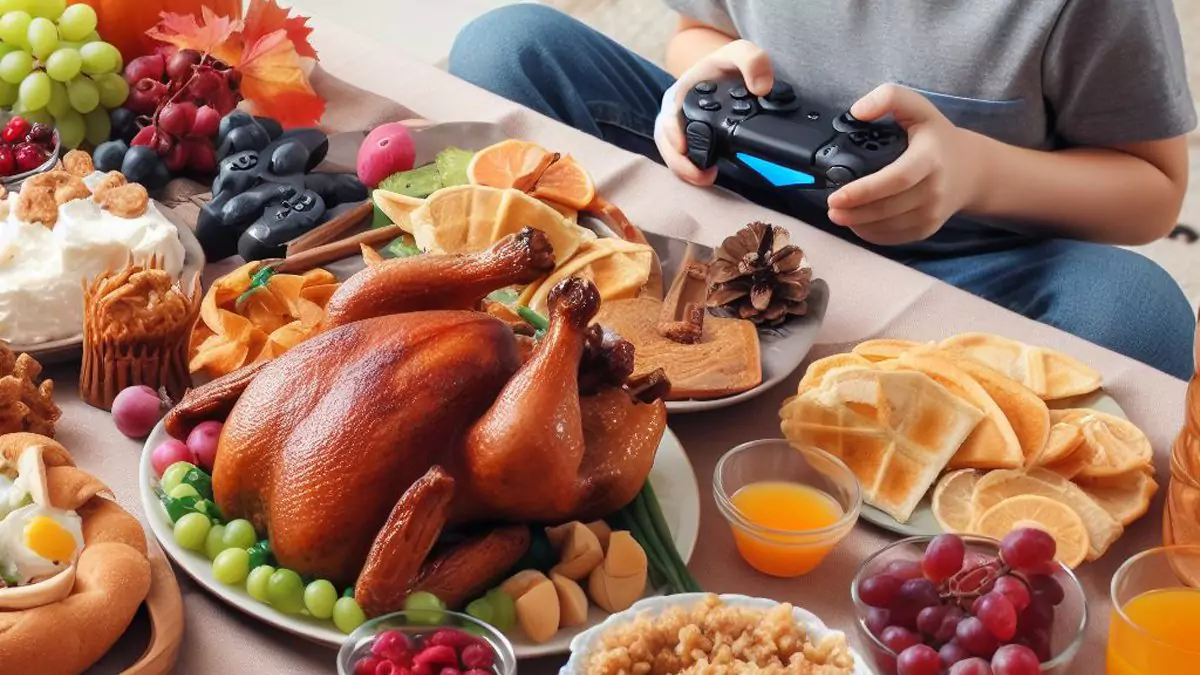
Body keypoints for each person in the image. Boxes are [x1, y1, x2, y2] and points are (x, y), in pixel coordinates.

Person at [448, 1, 1198, 379]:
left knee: (1137, 313)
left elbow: (1155, 189)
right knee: (509, 46)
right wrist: (703, 79)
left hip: (964, 250)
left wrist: (975, 170)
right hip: (740, 184)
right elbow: (697, 29)